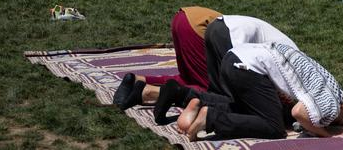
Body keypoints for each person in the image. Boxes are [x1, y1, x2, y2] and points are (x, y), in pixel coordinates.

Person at [113, 10, 298, 123]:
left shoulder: (291, 55)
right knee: (212, 90)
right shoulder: (293, 69)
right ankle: (164, 93)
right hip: (200, 27)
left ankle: (142, 85)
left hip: (187, 19)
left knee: (189, 78)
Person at [175, 42, 343, 141]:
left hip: (233, 58)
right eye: (341, 122)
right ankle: (210, 119)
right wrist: (325, 134)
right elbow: (298, 113)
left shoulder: (327, 80)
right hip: (248, 67)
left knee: (252, 112)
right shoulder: (333, 103)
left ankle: (202, 105)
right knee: (274, 127)